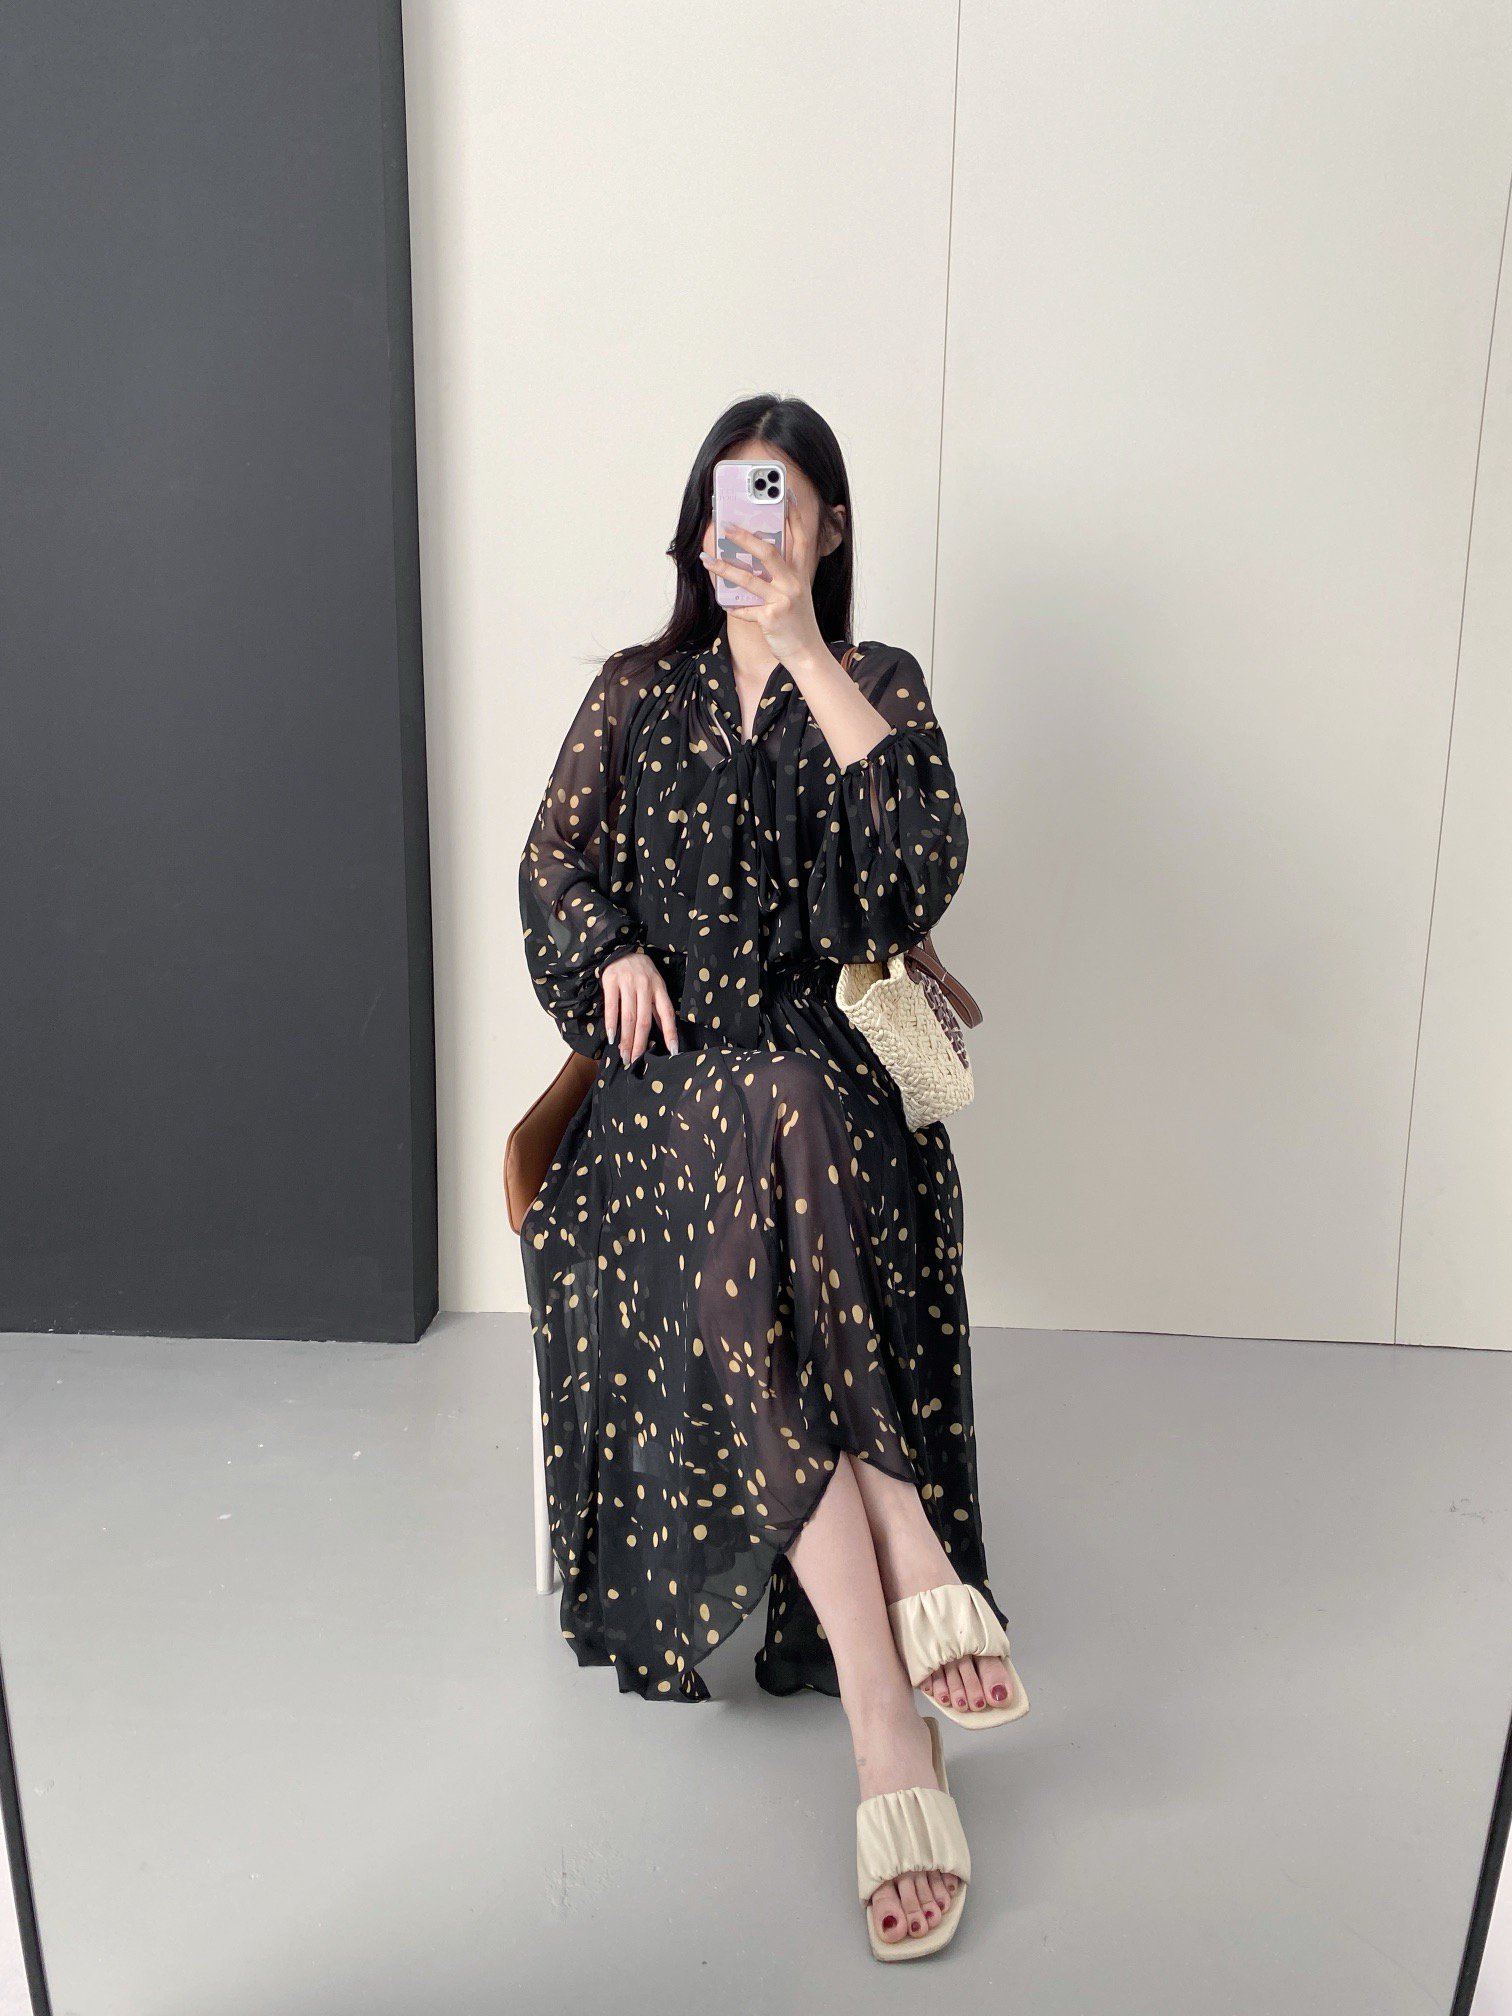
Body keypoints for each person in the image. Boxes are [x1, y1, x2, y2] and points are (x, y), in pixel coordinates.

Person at [518, 394, 1027, 1959]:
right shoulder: (636, 691)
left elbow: (919, 866)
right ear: (700, 526)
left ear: (829, 527)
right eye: (731, 500)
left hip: (824, 1087)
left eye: (783, 500)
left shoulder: (878, 683)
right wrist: (609, 945)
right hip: (660, 1103)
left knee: (793, 1099)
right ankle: (901, 1632)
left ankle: (882, 1714)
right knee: (761, 1109)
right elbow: (551, 864)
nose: (751, 526)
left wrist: (804, 647)